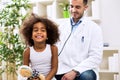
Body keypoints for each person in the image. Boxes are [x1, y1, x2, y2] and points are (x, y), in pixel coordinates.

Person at [55, 0, 103, 80]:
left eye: (77, 7)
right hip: (63, 68)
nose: (73, 10)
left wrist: (75, 71)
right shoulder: (61, 27)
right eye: (71, 6)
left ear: (85, 7)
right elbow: (56, 50)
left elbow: (96, 57)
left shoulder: (94, 28)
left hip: (84, 69)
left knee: (87, 77)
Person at [20, 13, 59, 80]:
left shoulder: (53, 48)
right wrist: (32, 78)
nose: (39, 32)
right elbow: (26, 71)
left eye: (43, 30)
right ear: (30, 35)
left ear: (48, 35)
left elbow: (54, 69)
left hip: (50, 78)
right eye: (36, 30)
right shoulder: (27, 51)